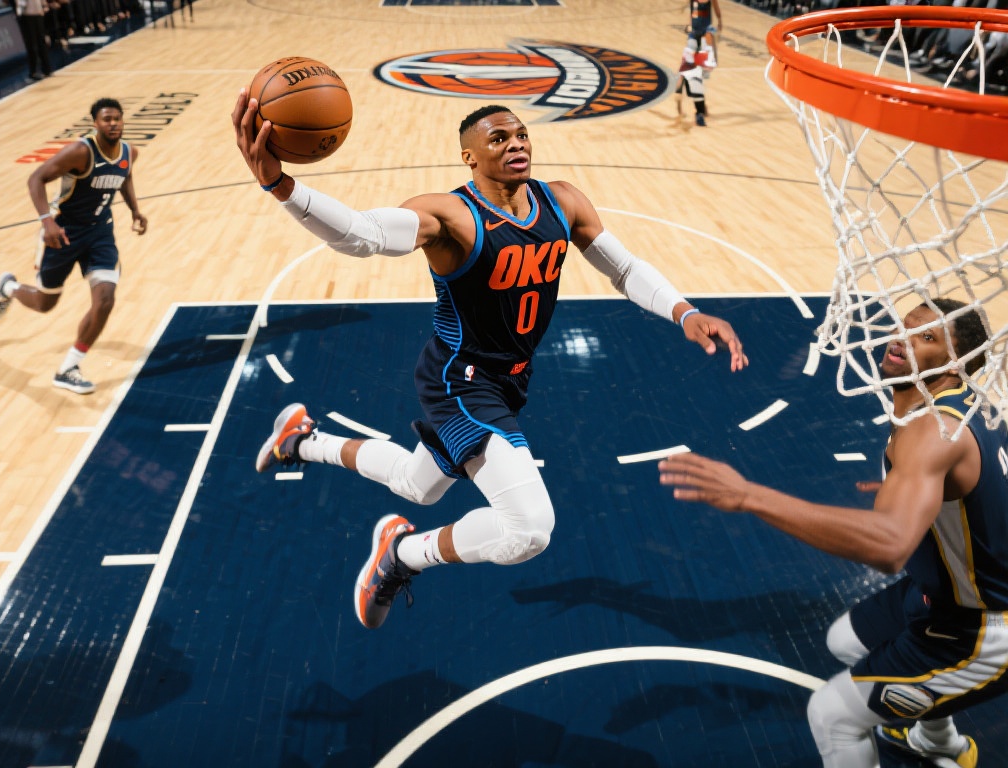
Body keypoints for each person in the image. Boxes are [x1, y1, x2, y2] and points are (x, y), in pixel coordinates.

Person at [232, 94, 749, 630]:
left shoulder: (563, 201)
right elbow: (365, 235)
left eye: (521, 134)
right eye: (499, 139)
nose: (516, 144)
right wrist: (281, 185)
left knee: (416, 484)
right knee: (529, 529)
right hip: (459, 382)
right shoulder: (450, 215)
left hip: (508, 382)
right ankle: (402, 554)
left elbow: (624, 268)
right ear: (469, 157)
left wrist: (684, 312)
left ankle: (300, 440)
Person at [659, 298, 1006, 768]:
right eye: (904, 326)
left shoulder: (933, 433)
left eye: (926, 337)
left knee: (831, 716)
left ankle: (947, 743)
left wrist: (747, 495)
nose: (901, 339)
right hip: (944, 593)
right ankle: (938, 741)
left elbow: (890, 546)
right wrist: (920, 496)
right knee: (844, 641)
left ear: (954, 364)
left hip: (984, 626)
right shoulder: (970, 407)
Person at [0, 97, 147, 394]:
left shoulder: (129, 152)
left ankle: (69, 367)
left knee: (105, 299)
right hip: (63, 233)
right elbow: (36, 178)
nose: (113, 124)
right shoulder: (80, 152)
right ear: (95, 123)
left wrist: (135, 210)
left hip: (100, 233)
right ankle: (9, 287)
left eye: (117, 118)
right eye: (107, 119)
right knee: (45, 304)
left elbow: (125, 177)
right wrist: (47, 221)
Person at [674, 0, 722, 126]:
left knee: (695, 77)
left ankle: (700, 110)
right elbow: (693, 13)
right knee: (691, 77)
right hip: (695, 36)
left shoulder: (707, 34)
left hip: (702, 37)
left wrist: (719, 21)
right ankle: (699, 111)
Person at [14, 0, 51, 80]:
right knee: (32, 45)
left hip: (38, 15)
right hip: (27, 17)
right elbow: (21, 5)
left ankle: (46, 69)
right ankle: (33, 72)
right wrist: (20, 15)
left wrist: (44, 6)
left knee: (41, 43)